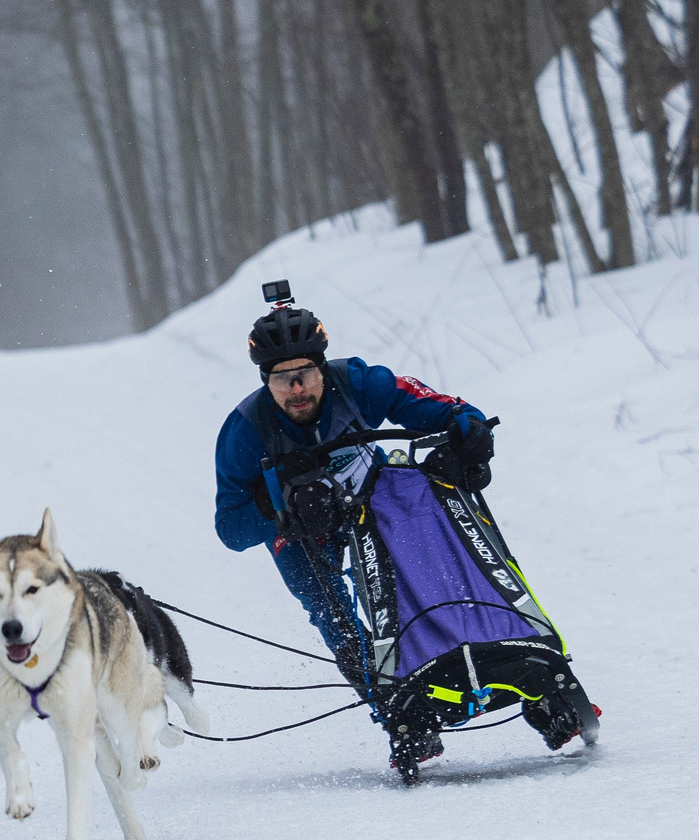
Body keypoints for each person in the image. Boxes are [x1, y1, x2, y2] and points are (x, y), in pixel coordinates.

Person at [212, 298, 494, 756]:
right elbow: (230, 529)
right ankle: (402, 717)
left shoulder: (362, 382)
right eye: (281, 379)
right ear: (265, 381)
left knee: (428, 575)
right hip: (300, 531)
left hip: (372, 502)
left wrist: (471, 430)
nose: (297, 388)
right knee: (334, 614)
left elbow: (446, 408)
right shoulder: (244, 429)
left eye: (305, 372)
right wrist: (275, 503)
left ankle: (495, 659)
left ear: (325, 367)